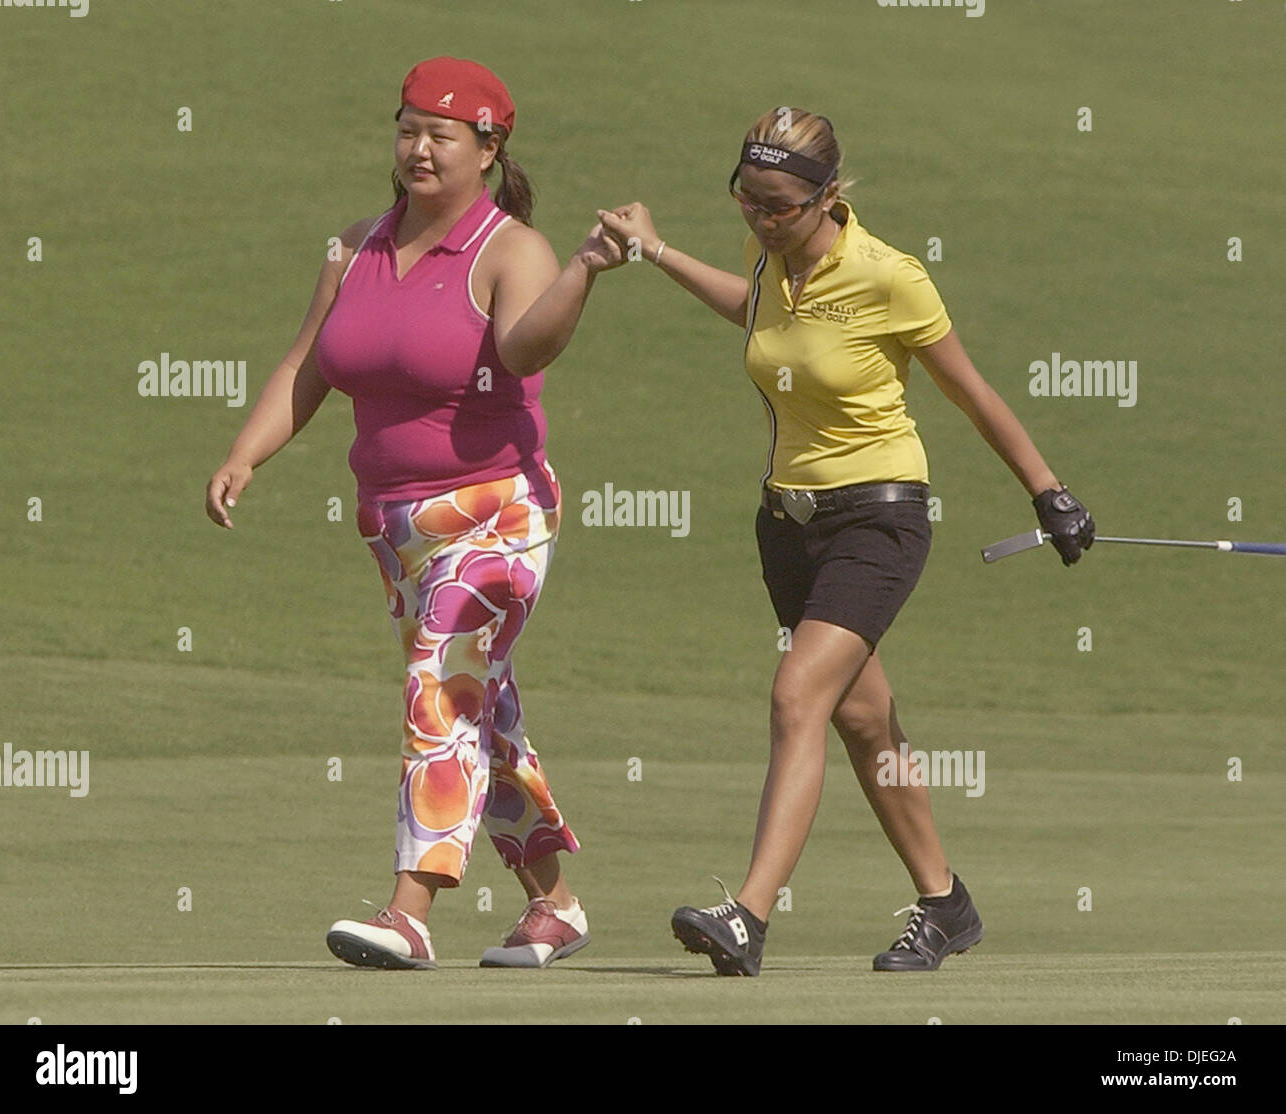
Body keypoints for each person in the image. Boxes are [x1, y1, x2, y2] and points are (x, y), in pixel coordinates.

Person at [598, 107, 1093, 975]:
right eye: (747, 199)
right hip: (786, 528)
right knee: (865, 721)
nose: (760, 216)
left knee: (799, 697)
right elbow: (750, 310)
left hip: (879, 518)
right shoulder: (772, 258)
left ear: (829, 195)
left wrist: (1049, 491)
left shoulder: (888, 276)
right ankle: (945, 906)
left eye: (780, 204)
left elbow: (970, 391)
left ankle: (748, 916)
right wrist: (656, 249)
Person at [205, 57, 625, 970]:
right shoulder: (354, 247)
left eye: (442, 134)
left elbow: (524, 345)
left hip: (497, 514)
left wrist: (584, 272)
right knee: (479, 705)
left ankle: (409, 909)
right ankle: (555, 905)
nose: (419, 148)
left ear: (489, 148)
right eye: (407, 129)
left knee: (440, 685)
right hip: (394, 527)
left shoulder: (512, 249)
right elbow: (305, 368)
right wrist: (245, 454)